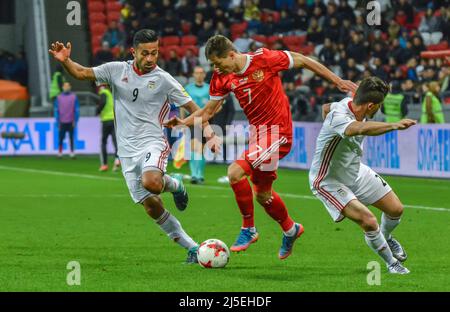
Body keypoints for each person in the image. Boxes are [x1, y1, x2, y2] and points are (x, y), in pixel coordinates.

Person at [165, 35, 356, 259]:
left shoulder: (264, 59)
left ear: (232, 55)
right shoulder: (221, 77)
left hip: (278, 133)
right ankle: (291, 229)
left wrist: (337, 81)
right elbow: (208, 111)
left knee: (234, 173)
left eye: (218, 63)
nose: (216, 68)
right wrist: (183, 122)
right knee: (263, 195)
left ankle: (249, 229)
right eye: (213, 65)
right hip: (258, 136)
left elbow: (302, 60)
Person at [49, 30, 218, 263]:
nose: (150, 58)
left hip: (153, 141)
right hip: (126, 151)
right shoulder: (117, 71)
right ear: (133, 52)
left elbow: (194, 108)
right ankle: (192, 247)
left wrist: (209, 133)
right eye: (145, 53)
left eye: (155, 53)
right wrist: (66, 60)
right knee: (151, 207)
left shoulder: (164, 79)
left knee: (152, 183)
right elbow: (81, 73)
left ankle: (175, 185)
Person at [310, 77, 415, 274]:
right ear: (370, 106)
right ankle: (392, 264)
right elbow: (356, 128)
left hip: (355, 170)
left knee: (396, 209)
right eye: (379, 106)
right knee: (369, 221)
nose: (378, 110)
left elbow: (324, 107)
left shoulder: (349, 104)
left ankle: (385, 238)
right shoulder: (340, 115)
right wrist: (393, 125)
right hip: (328, 180)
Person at [184, 66, 210, 184]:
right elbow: (182, 105)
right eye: (196, 73)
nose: (199, 75)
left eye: (201, 73)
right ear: (193, 75)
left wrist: (210, 115)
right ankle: (194, 175)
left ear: (204, 75)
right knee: (195, 146)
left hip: (205, 121)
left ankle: (200, 175)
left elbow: (218, 105)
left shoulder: (209, 89)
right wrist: (183, 121)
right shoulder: (188, 88)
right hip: (192, 121)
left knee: (202, 149)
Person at [96, 84, 120, 172]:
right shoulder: (110, 94)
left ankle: (104, 164)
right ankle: (117, 159)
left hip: (106, 120)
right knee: (115, 141)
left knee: (103, 142)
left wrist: (98, 110)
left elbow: (102, 102)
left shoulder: (103, 93)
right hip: (113, 120)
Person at [54, 81, 79, 158]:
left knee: (71, 137)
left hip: (71, 121)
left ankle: (72, 152)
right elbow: (56, 110)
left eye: (68, 86)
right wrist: (57, 121)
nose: (66, 87)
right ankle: (60, 152)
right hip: (62, 121)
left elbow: (76, 109)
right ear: (62, 87)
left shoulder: (74, 97)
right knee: (61, 137)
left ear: (70, 87)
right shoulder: (59, 97)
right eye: (65, 86)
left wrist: (75, 120)